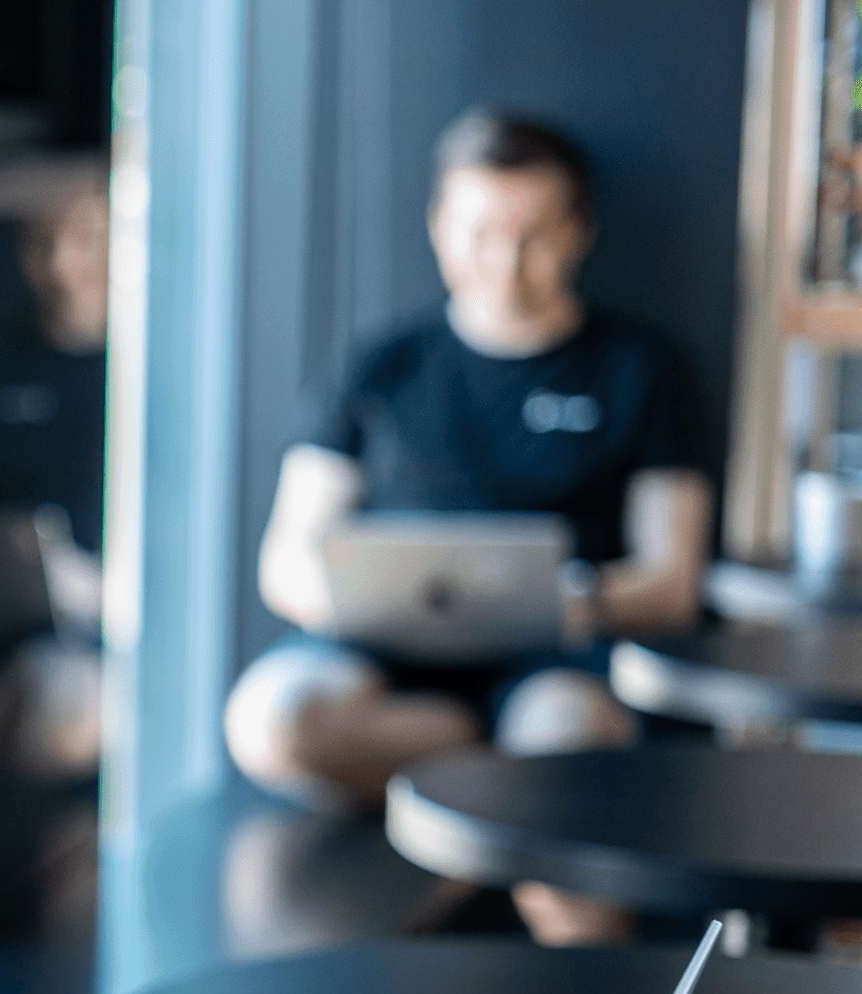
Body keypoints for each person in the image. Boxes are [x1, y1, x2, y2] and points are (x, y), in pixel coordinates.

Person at [223, 109, 710, 941]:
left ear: (579, 233)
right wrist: (346, 595)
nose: (503, 263)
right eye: (478, 232)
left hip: (556, 653)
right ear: (440, 228)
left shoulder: (641, 368)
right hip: (381, 657)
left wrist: (571, 598)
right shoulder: (380, 364)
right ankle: (482, 753)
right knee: (271, 726)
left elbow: (672, 578)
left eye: (532, 236)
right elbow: (288, 558)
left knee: (566, 742)